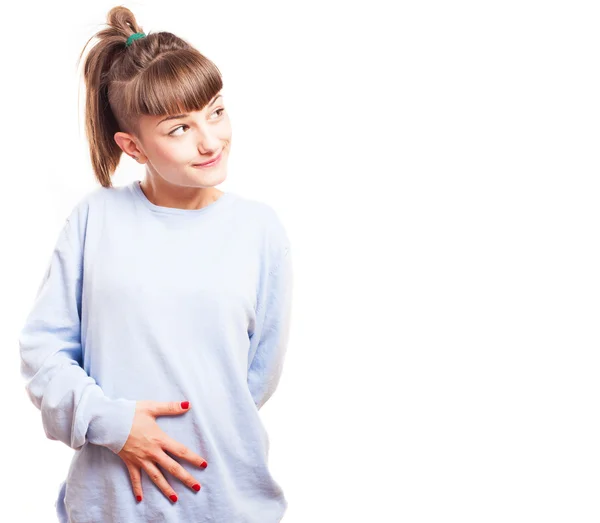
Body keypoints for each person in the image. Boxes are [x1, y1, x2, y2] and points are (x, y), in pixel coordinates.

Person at [18, 6, 293, 523]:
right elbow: (43, 351)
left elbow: (256, 377)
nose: (210, 140)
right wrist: (116, 425)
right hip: (114, 505)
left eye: (215, 111)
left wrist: (200, 427)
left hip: (228, 501)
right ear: (133, 146)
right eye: (179, 128)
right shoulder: (95, 218)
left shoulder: (260, 230)